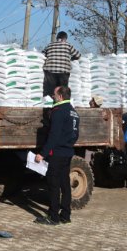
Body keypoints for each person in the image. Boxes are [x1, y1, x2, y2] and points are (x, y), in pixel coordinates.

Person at [34, 86, 80, 225]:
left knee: (53, 184)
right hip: (67, 152)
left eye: (54, 94)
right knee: (65, 184)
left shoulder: (58, 112)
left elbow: (54, 135)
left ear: (60, 96)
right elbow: (75, 135)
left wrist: (42, 154)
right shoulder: (74, 112)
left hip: (57, 153)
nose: (53, 96)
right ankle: (65, 215)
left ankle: (53, 217)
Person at [41, 31, 81, 98]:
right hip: (63, 72)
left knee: (50, 91)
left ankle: (50, 105)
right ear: (65, 39)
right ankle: (61, 105)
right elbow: (78, 55)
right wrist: (71, 59)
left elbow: (42, 55)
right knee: (63, 92)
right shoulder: (68, 45)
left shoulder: (50, 45)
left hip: (50, 72)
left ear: (57, 38)